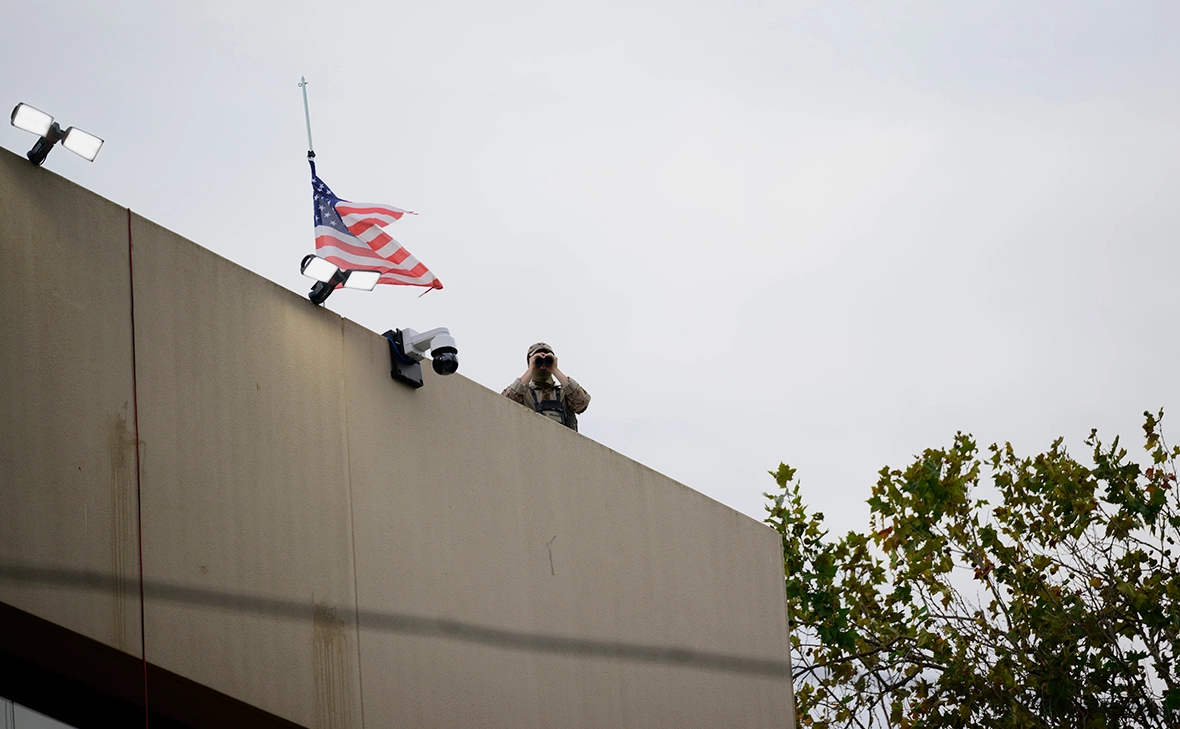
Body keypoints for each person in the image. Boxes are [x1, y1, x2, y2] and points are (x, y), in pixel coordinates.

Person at [502, 342, 590, 431]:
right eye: (538, 360)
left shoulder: (565, 393)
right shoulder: (523, 394)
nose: (543, 366)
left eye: (547, 360)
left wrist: (555, 369)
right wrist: (531, 369)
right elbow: (503, 404)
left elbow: (582, 403)